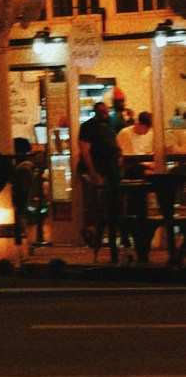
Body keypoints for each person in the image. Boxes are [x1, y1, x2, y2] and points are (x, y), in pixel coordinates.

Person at [79, 96, 130, 263]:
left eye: (106, 111)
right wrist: (93, 173)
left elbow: (113, 144)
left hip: (109, 170)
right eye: (104, 112)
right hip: (101, 171)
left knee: (113, 207)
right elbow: (85, 151)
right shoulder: (89, 127)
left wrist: (119, 156)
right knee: (101, 208)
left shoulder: (106, 125)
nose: (106, 114)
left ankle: (114, 242)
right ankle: (103, 241)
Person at [8, 134, 50, 266]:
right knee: (30, 229)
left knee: (26, 230)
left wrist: (18, 205)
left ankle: (25, 253)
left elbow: (22, 190)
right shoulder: (30, 166)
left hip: (24, 205)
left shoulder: (22, 168)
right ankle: (29, 251)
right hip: (32, 205)